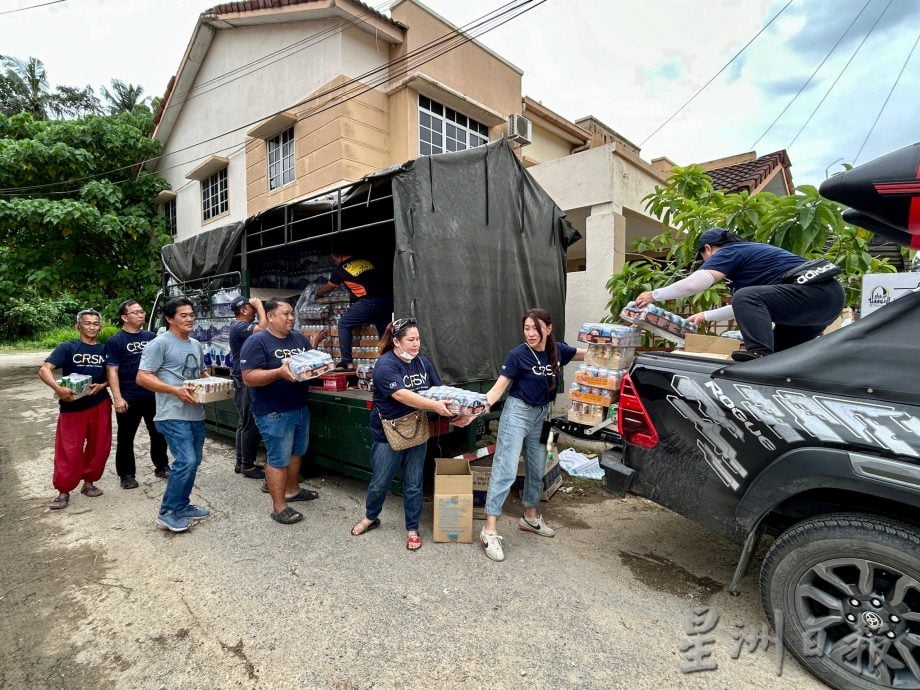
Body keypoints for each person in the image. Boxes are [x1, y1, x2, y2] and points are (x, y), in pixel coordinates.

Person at [350, 318, 472, 551]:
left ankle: (412, 527)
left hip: (417, 430)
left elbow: (438, 391)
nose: (416, 344)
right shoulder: (385, 365)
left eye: (418, 339)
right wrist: (433, 406)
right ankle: (370, 517)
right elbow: (401, 395)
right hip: (389, 433)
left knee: (414, 483)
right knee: (380, 482)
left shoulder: (423, 364)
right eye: (411, 340)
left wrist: (462, 409)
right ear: (396, 341)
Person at [634, 228, 846, 362]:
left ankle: (759, 354)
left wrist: (655, 294)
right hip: (826, 302)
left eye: (703, 258)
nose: (707, 263)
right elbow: (746, 305)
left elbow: (695, 284)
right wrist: (705, 316)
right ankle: (765, 365)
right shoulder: (752, 259)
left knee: (748, 305)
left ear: (708, 249)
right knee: (778, 359)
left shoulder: (731, 251)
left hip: (814, 292)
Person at [479, 308, 585, 562]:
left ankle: (530, 517)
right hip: (517, 414)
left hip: (544, 416)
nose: (530, 333)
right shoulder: (517, 355)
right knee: (505, 469)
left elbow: (588, 354)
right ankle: (489, 529)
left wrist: (618, 353)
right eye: (526, 328)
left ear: (548, 329)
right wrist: (476, 408)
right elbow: (497, 390)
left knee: (539, 468)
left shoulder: (558, 350)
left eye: (535, 329)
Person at [240, 298, 321, 525]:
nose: (291, 318)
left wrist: (318, 366)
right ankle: (279, 507)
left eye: (292, 314)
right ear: (271, 316)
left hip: (299, 407)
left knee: (297, 452)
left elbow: (307, 366)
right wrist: (278, 372)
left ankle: (292, 490)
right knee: (278, 458)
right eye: (285, 314)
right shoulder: (257, 342)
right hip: (273, 412)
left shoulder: (299, 339)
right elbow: (249, 377)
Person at [136, 298, 210, 533]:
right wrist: (174, 390)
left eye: (191, 314)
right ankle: (167, 512)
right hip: (171, 413)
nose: (190, 319)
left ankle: (182, 505)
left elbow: (201, 372)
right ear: (169, 318)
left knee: (194, 462)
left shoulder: (196, 344)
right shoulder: (160, 344)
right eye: (183, 315)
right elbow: (142, 376)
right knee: (185, 460)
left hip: (195, 412)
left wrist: (214, 382)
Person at [38, 309, 112, 511]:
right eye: (87, 323)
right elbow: (44, 369)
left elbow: (113, 376)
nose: (92, 327)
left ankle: (89, 482)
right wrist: (58, 388)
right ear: (77, 326)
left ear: (100, 326)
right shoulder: (67, 347)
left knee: (99, 446)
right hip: (72, 407)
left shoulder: (105, 349)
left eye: (96, 324)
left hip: (99, 404)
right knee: (69, 449)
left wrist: (103, 385)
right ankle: (63, 490)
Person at [105, 299, 170, 489]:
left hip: (153, 395)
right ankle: (126, 474)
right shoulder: (115, 341)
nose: (141, 315)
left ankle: (161, 466)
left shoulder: (151, 337)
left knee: (159, 433)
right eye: (135, 312)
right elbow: (112, 371)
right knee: (126, 437)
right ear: (124, 317)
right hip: (129, 397)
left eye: (142, 311)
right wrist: (117, 397)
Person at [314, 249, 392, 371]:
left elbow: (329, 287)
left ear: (339, 256)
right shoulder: (366, 262)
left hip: (368, 301)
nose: (334, 263)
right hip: (386, 300)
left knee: (344, 324)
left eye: (334, 260)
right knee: (384, 334)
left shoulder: (340, 269)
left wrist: (317, 293)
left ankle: (346, 362)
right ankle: (389, 362)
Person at [228, 294, 266, 480]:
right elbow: (263, 329)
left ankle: (241, 462)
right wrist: (260, 307)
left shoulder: (239, 326)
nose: (254, 309)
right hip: (244, 378)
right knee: (249, 422)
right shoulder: (239, 326)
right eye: (250, 307)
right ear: (243, 310)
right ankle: (247, 466)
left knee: (244, 422)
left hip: (241, 376)